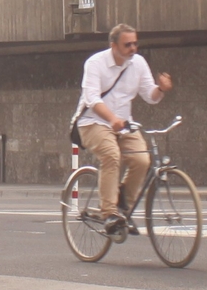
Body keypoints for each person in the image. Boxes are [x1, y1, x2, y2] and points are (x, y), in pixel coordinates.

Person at [73, 23, 171, 227]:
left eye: (135, 43)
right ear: (114, 46)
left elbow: (150, 96)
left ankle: (123, 202)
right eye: (127, 45)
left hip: (124, 124)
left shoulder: (139, 63)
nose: (133, 48)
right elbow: (91, 99)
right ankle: (108, 213)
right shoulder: (95, 63)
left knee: (143, 160)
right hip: (93, 123)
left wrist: (160, 89)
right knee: (111, 155)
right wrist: (111, 119)